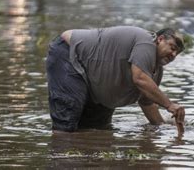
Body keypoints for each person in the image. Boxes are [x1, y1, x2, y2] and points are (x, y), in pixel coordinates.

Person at [45, 26, 186, 134]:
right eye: (172, 47)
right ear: (160, 39)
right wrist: (170, 105)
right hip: (69, 53)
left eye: (177, 53)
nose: (173, 54)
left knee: (97, 130)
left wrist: (164, 127)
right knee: (66, 123)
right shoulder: (147, 42)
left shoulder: (156, 71)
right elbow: (140, 79)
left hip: (96, 80)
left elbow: (146, 102)